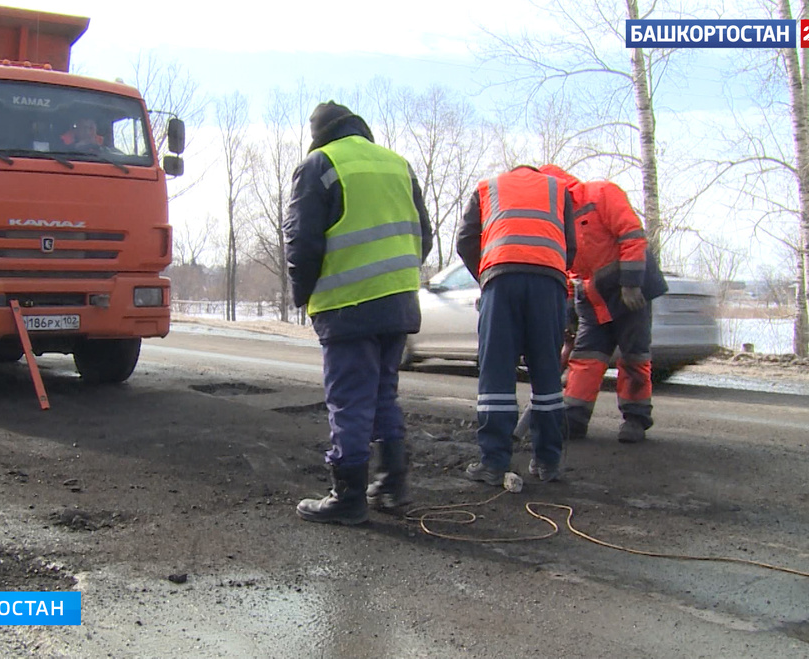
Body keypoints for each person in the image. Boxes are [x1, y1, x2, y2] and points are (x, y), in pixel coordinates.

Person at [285, 101, 433, 525]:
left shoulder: (320, 164)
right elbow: (424, 233)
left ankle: (348, 496)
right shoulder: (397, 164)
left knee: (349, 399)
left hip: (348, 303)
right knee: (383, 392)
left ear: (319, 134)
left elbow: (302, 241)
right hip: (399, 298)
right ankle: (391, 483)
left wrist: (303, 294)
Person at [455, 165, 577, 485]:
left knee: (496, 373)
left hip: (502, 280)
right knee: (547, 373)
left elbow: (466, 240)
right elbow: (572, 247)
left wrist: (486, 276)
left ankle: (494, 462)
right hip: (548, 284)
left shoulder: (488, 187)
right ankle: (548, 462)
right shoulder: (558, 190)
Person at [538, 166, 667, 443]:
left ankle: (635, 419)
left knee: (633, 355)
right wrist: (570, 308)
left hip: (629, 293)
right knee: (585, 357)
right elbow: (569, 267)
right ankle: (573, 417)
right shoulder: (554, 220)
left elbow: (632, 236)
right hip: (593, 298)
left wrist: (631, 284)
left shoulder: (601, 193)